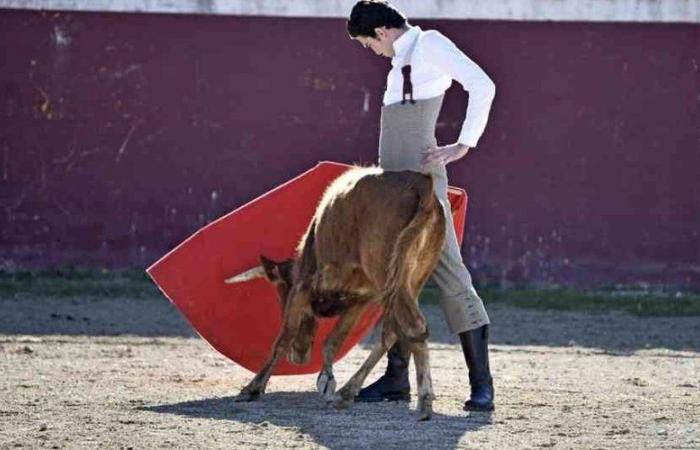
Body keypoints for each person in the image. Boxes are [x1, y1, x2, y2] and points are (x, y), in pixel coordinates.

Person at [346, 0, 496, 411]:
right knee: (396, 279)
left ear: (381, 32)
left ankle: (483, 386)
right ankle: (396, 379)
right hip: (391, 191)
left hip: (422, 191)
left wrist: (464, 144)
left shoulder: (429, 44)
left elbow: (483, 84)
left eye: (366, 43)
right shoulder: (402, 62)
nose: (370, 52)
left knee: (451, 274)